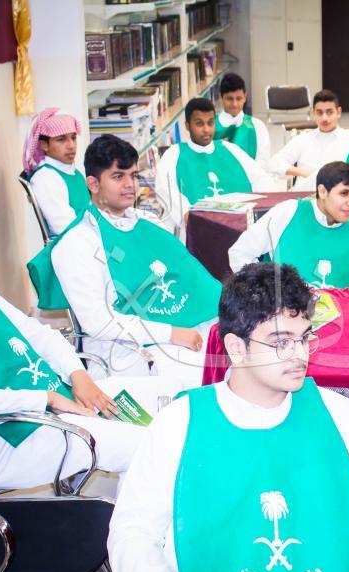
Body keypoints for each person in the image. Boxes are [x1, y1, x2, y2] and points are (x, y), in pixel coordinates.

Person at [108, 262, 349, 572]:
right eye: (281, 342)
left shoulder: (337, 414)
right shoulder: (179, 425)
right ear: (236, 348)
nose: (299, 354)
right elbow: (134, 533)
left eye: (304, 338)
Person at [0, 223, 181, 490]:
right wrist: (47, 399)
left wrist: (78, 375)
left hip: (54, 405)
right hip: (7, 441)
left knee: (165, 391)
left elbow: (41, 336)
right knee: (142, 444)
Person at [40, 134, 223, 388]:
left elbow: (189, 278)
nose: (129, 185)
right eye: (118, 176)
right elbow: (98, 322)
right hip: (128, 350)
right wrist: (172, 333)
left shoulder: (148, 222)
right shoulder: (77, 243)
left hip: (183, 326)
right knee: (209, 374)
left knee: (242, 347)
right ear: (93, 184)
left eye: (133, 175)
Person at [229, 161, 349, 289]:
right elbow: (240, 253)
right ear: (322, 191)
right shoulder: (288, 212)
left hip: (348, 315)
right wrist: (266, 290)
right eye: (344, 193)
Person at [155, 97, 274, 235]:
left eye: (210, 123)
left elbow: (261, 178)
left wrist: (270, 207)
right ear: (187, 126)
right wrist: (188, 214)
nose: (206, 129)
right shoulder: (174, 153)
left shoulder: (229, 149)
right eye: (199, 124)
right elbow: (164, 188)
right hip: (196, 230)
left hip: (240, 229)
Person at [268, 90, 349, 192]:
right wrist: (304, 173)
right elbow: (274, 163)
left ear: (338, 112)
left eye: (329, 112)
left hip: (337, 193)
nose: (324, 118)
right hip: (306, 193)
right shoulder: (303, 139)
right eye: (319, 113)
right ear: (313, 113)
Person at [24, 108, 89, 237]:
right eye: (61, 139)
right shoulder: (45, 178)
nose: (71, 145)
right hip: (72, 245)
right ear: (44, 145)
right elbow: (65, 227)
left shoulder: (72, 171)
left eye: (73, 138)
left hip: (88, 237)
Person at [212, 73, 271, 168]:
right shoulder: (210, 125)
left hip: (249, 176)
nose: (234, 104)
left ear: (245, 97)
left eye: (238, 98)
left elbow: (263, 162)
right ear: (221, 97)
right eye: (229, 99)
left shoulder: (257, 126)